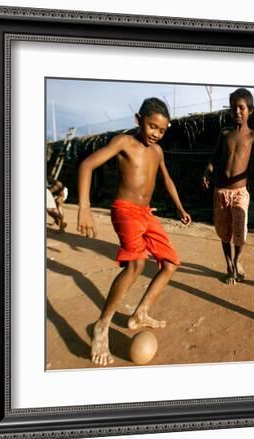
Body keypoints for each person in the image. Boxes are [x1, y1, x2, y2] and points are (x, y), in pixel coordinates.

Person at [77, 97, 192, 366]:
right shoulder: (123, 143)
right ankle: (102, 324)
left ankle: (141, 312)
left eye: (162, 130)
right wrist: (84, 206)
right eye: (152, 126)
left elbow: (167, 180)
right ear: (138, 120)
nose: (156, 134)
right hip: (125, 210)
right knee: (136, 264)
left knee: (172, 263)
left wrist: (179, 208)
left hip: (146, 213)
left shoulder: (158, 152)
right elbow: (86, 165)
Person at [202, 88, 254, 284]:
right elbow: (215, 157)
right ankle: (229, 266)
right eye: (233, 108)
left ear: (249, 111)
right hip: (220, 190)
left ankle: (237, 260)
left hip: (240, 192)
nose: (237, 111)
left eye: (241, 108)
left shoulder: (253, 135)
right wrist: (207, 172)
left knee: (240, 230)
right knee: (224, 231)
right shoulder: (225, 133)